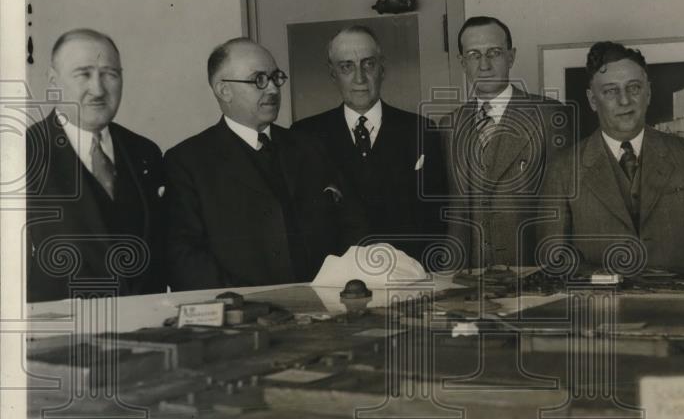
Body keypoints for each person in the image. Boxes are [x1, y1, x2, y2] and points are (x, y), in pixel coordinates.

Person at [164, 38, 361, 290]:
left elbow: (351, 225)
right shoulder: (187, 161)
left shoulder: (311, 148)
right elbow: (184, 257)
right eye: (258, 80)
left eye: (275, 77)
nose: (272, 89)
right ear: (223, 90)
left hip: (322, 309)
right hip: (240, 317)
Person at [539, 41, 684, 272]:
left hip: (678, 303)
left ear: (648, 92)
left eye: (634, 88)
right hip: (599, 306)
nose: (625, 100)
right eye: (610, 91)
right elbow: (554, 266)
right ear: (592, 100)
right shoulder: (564, 169)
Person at [26, 29, 165, 302]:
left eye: (110, 74)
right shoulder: (20, 155)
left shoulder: (144, 152)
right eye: (83, 74)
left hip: (147, 328)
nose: (99, 89)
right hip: (62, 333)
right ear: (53, 81)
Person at [292, 26, 446, 264]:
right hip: (335, 281)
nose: (360, 78)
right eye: (346, 67)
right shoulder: (305, 136)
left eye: (368, 64)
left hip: (406, 278)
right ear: (333, 74)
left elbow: (438, 217)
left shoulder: (420, 130)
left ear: (382, 68)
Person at [440, 16, 575, 268]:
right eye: (473, 55)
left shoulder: (549, 116)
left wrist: (553, 272)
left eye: (494, 53)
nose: (484, 65)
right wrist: (452, 278)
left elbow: (561, 209)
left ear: (511, 57)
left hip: (531, 270)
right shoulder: (449, 125)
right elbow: (456, 214)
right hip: (472, 279)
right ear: (462, 62)